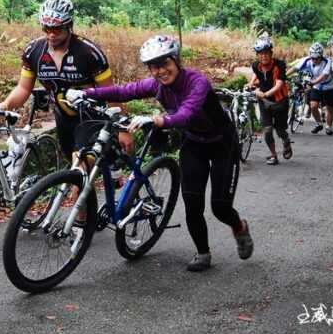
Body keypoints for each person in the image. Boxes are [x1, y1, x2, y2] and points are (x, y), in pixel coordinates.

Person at [66, 35, 253, 273]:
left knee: (220, 207)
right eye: (154, 66)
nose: (160, 71)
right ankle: (203, 253)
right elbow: (125, 91)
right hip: (193, 143)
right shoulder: (156, 85)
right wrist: (86, 93)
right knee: (192, 205)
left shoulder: (197, 82)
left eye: (165, 63)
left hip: (222, 144)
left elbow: (186, 114)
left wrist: (157, 119)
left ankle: (239, 227)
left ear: (176, 60)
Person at [0, 0, 115, 159]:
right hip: (63, 119)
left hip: (92, 118)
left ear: (69, 26)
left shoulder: (89, 53)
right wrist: (6, 104)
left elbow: (111, 92)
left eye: (57, 30)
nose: (51, 35)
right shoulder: (33, 51)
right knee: (77, 174)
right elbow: (23, 88)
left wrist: (122, 129)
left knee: (81, 164)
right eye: (46, 28)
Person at [247, 37, 293, 165]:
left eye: (266, 53)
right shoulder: (256, 65)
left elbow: (279, 84)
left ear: (271, 54)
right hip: (264, 103)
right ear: (257, 55)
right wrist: (251, 83)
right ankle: (273, 155)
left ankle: (286, 141)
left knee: (280, 130)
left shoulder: (280, 65)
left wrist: (265, 94)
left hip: (280, 102)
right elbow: (257, 74)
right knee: (267, 131)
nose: (264, 56)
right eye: (261, 54)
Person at [299, 43, 333, 135]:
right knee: (313, 106)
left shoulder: (327, 61)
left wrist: (313, 82)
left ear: (321, 56)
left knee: (330, 108)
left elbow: (325, 75)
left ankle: (329, 127)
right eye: (313, 58)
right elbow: (295, 68)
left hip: (329, 87)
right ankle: (319, 123)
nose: (315, 60)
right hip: (317, 87)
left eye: (317, 58)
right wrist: (283, 76)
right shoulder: (307, 60)